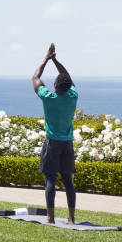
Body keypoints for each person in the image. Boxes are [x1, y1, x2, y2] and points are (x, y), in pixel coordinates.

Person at [33, 42, 79, 225]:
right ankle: (71, 218)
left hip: (52, 143)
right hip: (67, 143)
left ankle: (50, 217)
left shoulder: (48, 97)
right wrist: (56, 60)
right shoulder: (73, 95)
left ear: (55, 85)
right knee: (68, 181)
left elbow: (35, 77)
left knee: (50, 179)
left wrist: (46, 59)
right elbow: (67, 77)